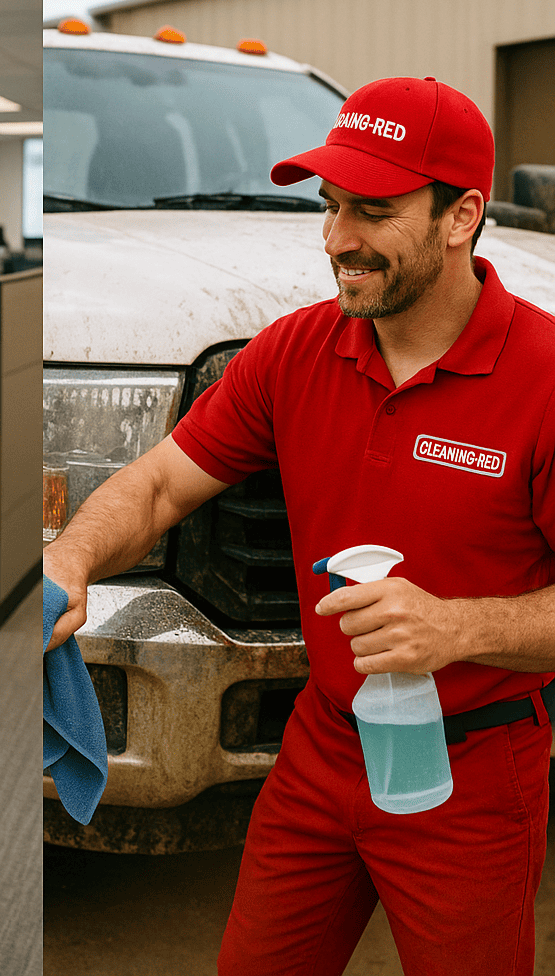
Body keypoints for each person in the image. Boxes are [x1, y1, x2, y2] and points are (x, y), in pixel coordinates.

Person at [43, 75, 555, 975]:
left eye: (373, 210)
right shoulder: (297, 350)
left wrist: (459, 626)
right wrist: (73, 556)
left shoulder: (544, 377)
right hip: (318, 752)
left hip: (473, 772)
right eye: (329, 206)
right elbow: (161, 486)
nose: (336, 240)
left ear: (462, 215)